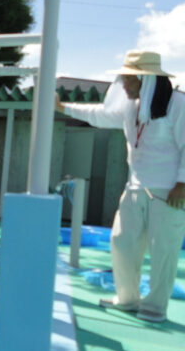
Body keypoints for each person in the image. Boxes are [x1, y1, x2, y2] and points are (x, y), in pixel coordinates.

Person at [56, 50, 185, 323]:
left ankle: (154, 308)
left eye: (128, 78)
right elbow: (99, 115)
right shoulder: (131, 107)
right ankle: (127, 299)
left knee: (164, 251)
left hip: (169, 192)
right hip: (135, 188)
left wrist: (182, 183)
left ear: (145, 78)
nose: (122, 84)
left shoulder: (178, 104)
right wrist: (63, 107)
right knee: (121, 242)